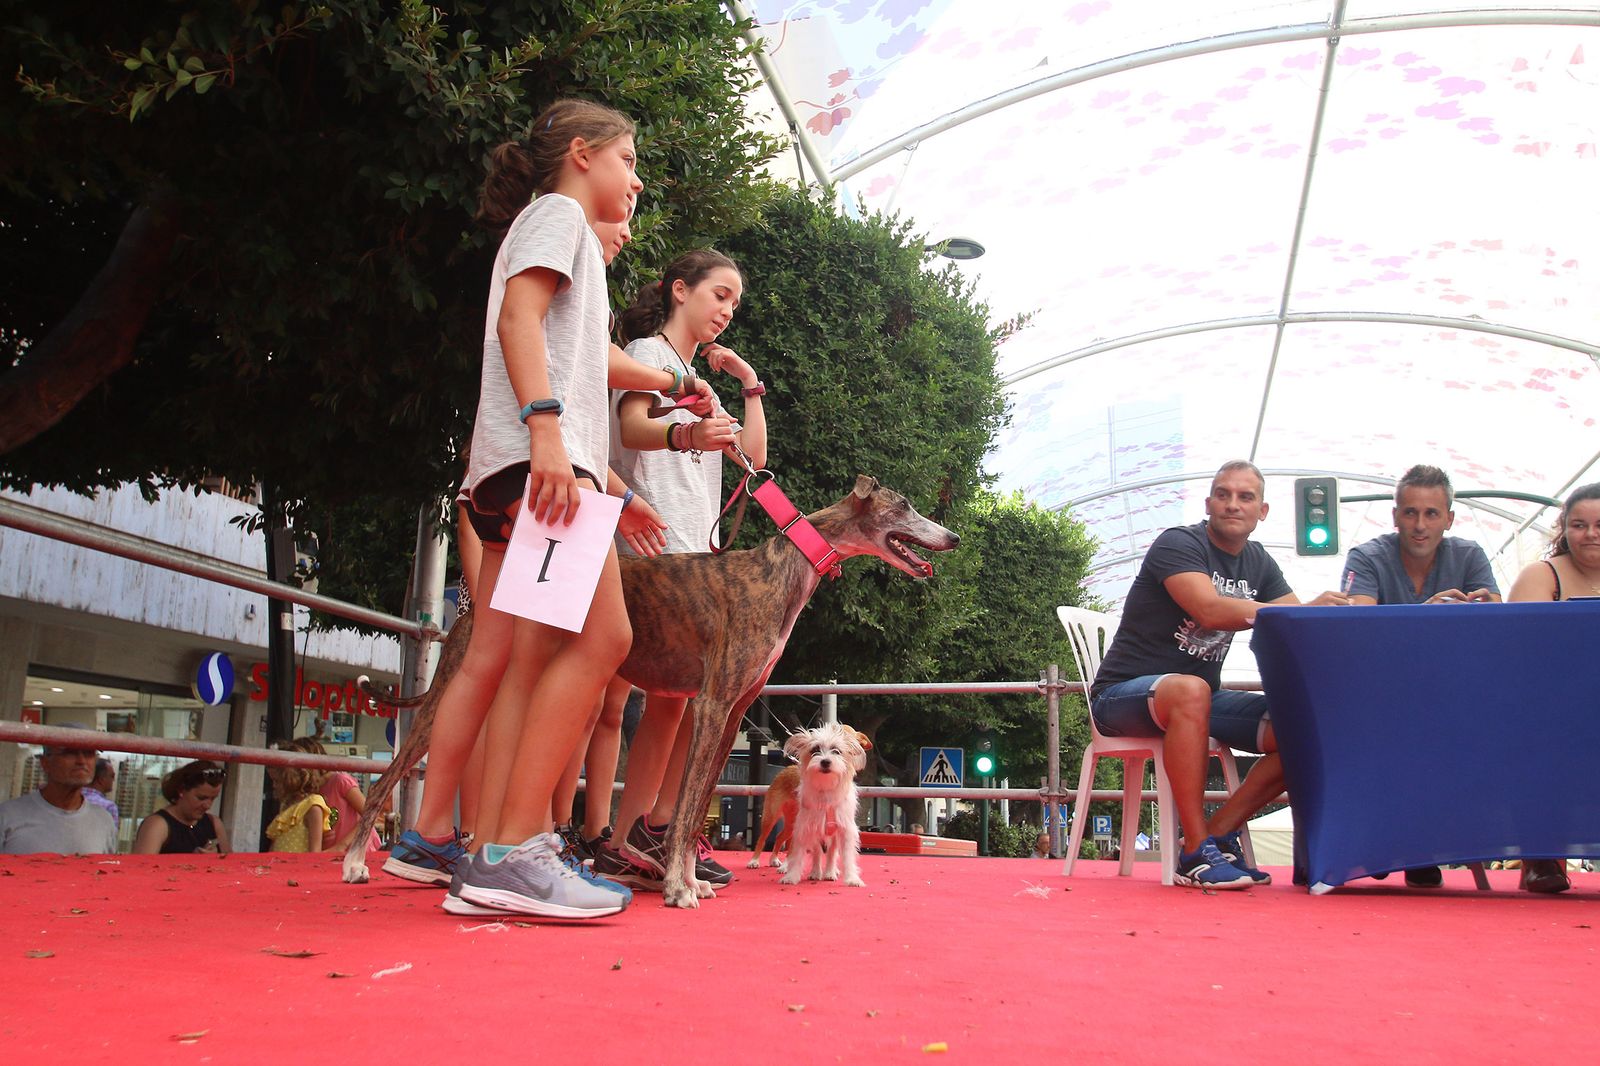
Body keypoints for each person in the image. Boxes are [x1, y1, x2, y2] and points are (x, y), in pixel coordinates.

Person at [386, 97, 651, 920]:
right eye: (628, 159)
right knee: (607, 638)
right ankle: (509, 851)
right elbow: (518, 316)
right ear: (581, 152)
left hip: (527, 466)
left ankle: (493, 852)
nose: (636, 180)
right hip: (541, 463)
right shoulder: (559, 216)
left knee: (522, 656)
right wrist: (546, 433)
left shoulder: (559, 223)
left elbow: (560, 339)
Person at [590, 248, 767, 893]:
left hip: (692, 546)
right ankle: (615, 832)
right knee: (624, 698)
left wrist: (748, 386)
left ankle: (642, 832)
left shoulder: (694, 376)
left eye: (734, 303)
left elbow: (751, 457)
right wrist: (686, 436)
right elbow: (633, 428)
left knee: (675, 699)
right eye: (719, 294)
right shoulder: (648, 355)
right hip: (652, 540)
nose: (726, 310)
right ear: (680, 290)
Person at [1090, 460, 1349, 890]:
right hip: (1121, 698)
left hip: (1199, 700)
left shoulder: (1258, 562)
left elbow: (1295, 627)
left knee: (1307, 727)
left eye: (1245, 497)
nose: (1232, 504)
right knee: (1191, 690)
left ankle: (1216, 833)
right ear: (1208, 503)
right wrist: (1301, 612)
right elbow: (1209, 609)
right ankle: (1193, 852)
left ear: (1261, 512)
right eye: (1223, 494)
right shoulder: (1178, 543)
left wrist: (1344, 619)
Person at [1342, 464, 1501, 888]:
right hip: (1379, 692)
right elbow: (1358, 628)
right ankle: (1407, 845)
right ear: (1395, 516)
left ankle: (1409, 844)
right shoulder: (1367, 555)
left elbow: (1495, 623)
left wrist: (1477, 611)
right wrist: (1427, 618)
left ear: (1450, 518)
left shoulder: (1469, 554)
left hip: (1450, 691)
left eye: (1431, 514)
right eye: (1410, 512)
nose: (1419, 524)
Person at [1503, 481, 1600, 894]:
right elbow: (1519, 655)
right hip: (1551, 705)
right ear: (1564, 528)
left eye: (1599, 525)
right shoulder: (1541, 575)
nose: (1590, 534)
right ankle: (1541, 854)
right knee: (1540, 734)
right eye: (1579, 525)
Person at [0, 732, 118, 854]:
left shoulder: (104, 821)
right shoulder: (7, 816)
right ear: (45, 763)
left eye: (89, 754)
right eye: (69, 753)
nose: (81, 761)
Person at [132, 761, 231, 855]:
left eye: (212, 799)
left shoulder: (214, 823)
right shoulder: (158, 825)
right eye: (201, 798)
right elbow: (141, 868)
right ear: (181, 791)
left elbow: (232, 865)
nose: (208, 805)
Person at [265, 738, 331, 853]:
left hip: (298, 869)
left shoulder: (313, 806)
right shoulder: (286, 804)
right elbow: (275, 843)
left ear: (291, 780)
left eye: (277, 781)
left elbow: (314, 853)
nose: (274, 785)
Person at [82, 757, 119, 830]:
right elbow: (110, 837)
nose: (113, 780)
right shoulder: (109, 807)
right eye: (112, 776)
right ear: (101, 779)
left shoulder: (71, 800)